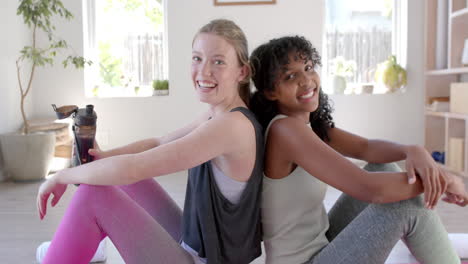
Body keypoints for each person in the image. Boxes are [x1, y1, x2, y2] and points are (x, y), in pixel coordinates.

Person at [36, 19, 263, 264]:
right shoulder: (218, 113)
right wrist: (105, 156)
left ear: (242, 71)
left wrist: (62, 176)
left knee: (93, 195)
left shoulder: (231, 126)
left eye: (218, 61)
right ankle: (81, 241)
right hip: (198, 244)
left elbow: (135, 167)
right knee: (126, 179)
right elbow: (159, 142)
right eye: (197, 58)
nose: (204, 71)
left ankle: (63, 252)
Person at [249, 35, 468, 264]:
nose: (306, 80)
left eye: (308, 68)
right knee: (406, 207)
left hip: (322, 243)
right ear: (270, 92)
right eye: (290, 76)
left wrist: (412, 150)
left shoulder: (306, 126)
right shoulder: (286, 131)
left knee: (382, 167)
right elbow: (369, 189)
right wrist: (444, 180)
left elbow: (366, 148)